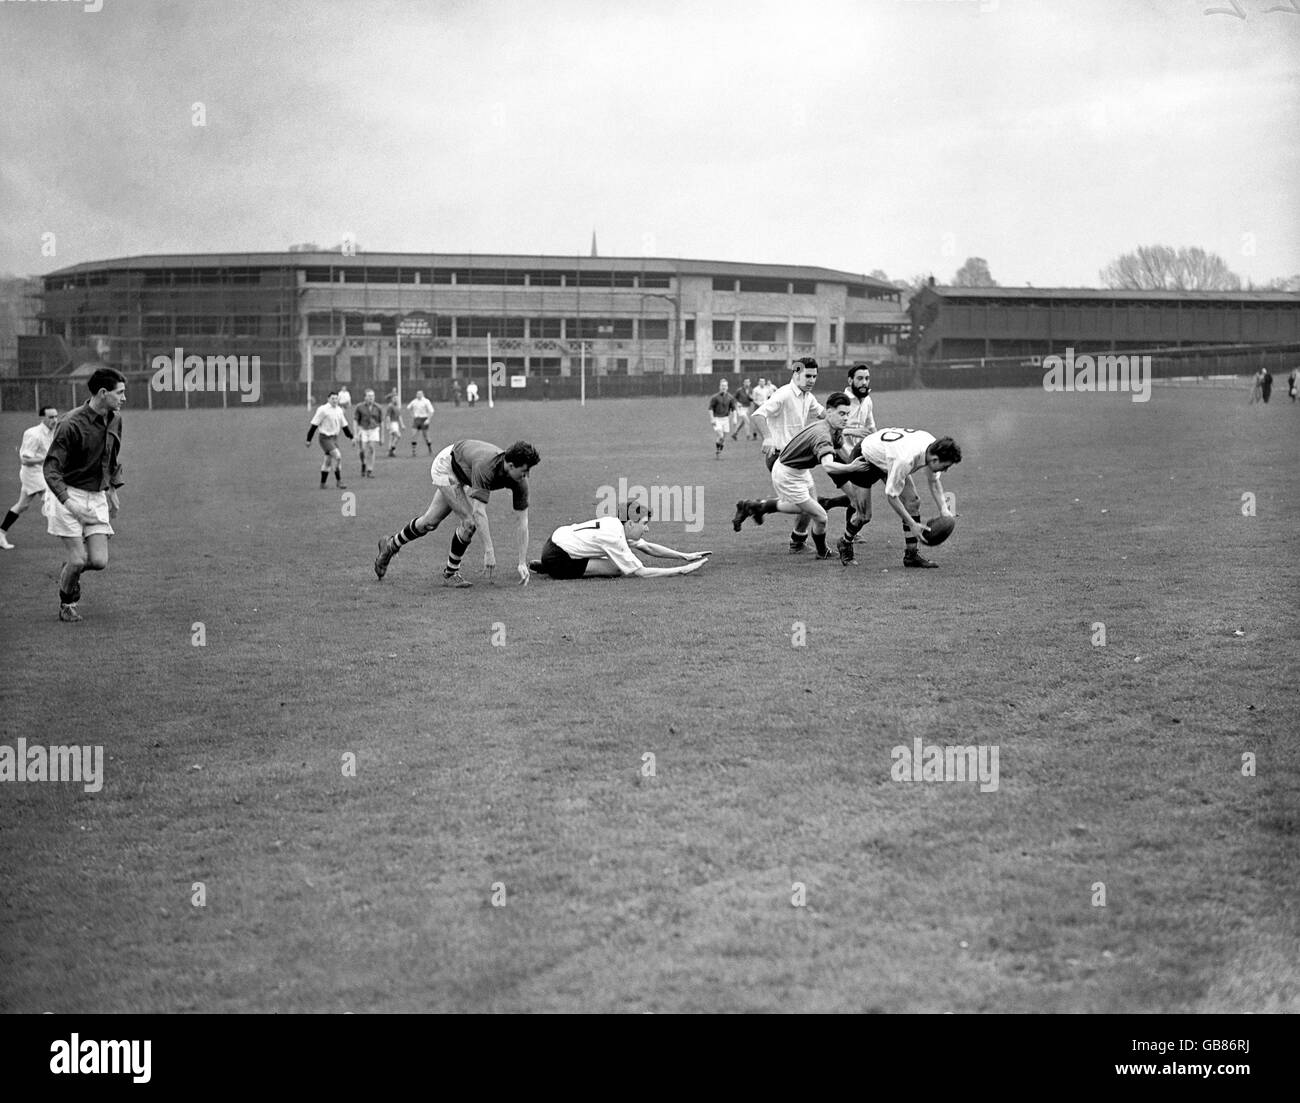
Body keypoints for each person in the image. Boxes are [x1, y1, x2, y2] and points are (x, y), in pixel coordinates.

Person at [374, 439, 540, 588]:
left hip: (465, 472)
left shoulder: (519, 481)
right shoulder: (486, 466)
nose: (527, 476)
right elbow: (478, 512)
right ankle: (450, 574)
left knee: (429, 522)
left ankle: (390, 545)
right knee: (469, 522)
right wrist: (489, 551)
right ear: (511, 465)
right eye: (525, 471)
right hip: (447, 465)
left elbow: (522, 521)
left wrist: (521, 562)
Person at [731, 392, 869, 559]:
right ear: (829, 411)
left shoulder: (832, 428)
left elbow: (841, 449)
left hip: (799, 470)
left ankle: (756, 506)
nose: (845, 418)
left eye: (847, 414)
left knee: (808, 509)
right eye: (841, 413)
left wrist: (851, 437)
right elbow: (828, 465)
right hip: (787, 474)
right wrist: (851, 467)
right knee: (820, 516)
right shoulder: (823, 435)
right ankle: (822, 552)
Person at [41, 368, 127, 622]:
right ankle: (67, 603)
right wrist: (69, 503)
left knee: (99, 561)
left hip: (96, 496)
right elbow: (51, 469)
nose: (124, 398)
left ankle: (67, 570)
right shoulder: (70, 424)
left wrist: (112, 489)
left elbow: (111, 456)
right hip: (68, 495)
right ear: (103, 393)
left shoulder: (115, 419)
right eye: (120, 393)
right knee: (78, 560)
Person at [838, 427, 962, 569]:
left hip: (887, 457)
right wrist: (912, 524)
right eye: (945, 466)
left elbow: (934, 482)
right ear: (935, 459)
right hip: (864, 459)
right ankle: (845, 542)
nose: (945, 470)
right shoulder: (905, 460)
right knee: (864, 516)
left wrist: (944, 510)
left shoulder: (932, 447)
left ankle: (911, 555)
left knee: (913, 502)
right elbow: (891, 496)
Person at [750, 357, 825, 551]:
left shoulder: (808, 397)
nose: (812, 380)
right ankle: (762, 506)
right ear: (796, 373)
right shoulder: (783, 394)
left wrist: (843, 420)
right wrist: (767, 437)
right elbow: (758, 415)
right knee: (809, 507)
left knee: (811, 505)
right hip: (780, 457)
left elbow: (823, 414)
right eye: (808, 376)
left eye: (815, 376)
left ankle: (796, 540)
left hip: (797, 459)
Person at [530, 500, 710, 579]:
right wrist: (682, 570)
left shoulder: (616, 524)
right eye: (644, 524)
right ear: (631, 523)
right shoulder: (615, 536)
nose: (647, 528)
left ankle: (546, 565)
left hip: (555, 541)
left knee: (616, 561)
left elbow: (648, 548)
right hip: (559, 557)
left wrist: (685, 556)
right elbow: (641, 572)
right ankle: (551, 568)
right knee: (618, 568)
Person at [814, 363, 879, 548]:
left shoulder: (868, 400)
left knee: (858, 495)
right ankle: (850, 533)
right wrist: (853, 431)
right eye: (860, 378)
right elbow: (829, 427)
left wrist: (880, 444)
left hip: (858, 454)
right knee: (858, 497)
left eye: (867, 378)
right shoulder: (841, 402)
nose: (864, 382)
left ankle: (828, 503)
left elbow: (871, 426)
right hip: (837, 455)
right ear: (850, 380)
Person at [0, 406, 59, 550]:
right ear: (42, 418)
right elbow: (25, 460)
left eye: (56, 416)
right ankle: (73, 532)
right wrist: (47, 459)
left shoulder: (53, 432)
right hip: (32, 474)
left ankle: (1, 533)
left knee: (22, 505)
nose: (55, 420)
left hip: (43, 473)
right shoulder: (33, 434)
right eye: (51, 417)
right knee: (51, 498)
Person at [306, 391, 354, 489]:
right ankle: (339, 481)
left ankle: (322, 484)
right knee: (338, 456)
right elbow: (314, 425)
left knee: (327, 461)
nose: (335, 400)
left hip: (334, 438)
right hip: (325, 438)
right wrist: (308, 439)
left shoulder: (339, 410)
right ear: (328, 399)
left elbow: (344, 425)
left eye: (336, 398)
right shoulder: (323, 410)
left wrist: (351, 437)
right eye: (332, 398)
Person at [352, 389, 384, 478]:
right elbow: (355, 420)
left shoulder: (378, 407)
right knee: (362, 450)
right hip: (363, 429)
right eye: (369, 396)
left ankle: (369, 470)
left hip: (374, 429)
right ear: (365, 397)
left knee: (371, 449)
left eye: (372, 396)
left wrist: (382, 436)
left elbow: (381, 422)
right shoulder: (359, 407)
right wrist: (355, 434)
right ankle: (363, 463)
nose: (371, 398)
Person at [707, 378, 739, 459]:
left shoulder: (730, 397)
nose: (723, 387)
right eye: (722, 385)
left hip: (726, 419)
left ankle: (719, 451)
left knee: (723, 438)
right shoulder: (715, 397)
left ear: (727, 387)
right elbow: (710, 409)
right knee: (720, 435)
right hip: (717, 419)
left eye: (725, 386)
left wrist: (735, 418)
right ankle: (718, 451)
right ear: (719, 387)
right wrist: (712, 419)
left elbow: (734, 409)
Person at [407, 390, 435, 455]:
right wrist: (412, 415)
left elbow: (431, 411)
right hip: (417, 419)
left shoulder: (426, 401)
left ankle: (430, 449)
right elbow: (408, 408)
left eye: (420, 394)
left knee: (425, 436)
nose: (418, 395)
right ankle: (413, 451)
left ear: (422, 394)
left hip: (424, 419)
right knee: (414, 435)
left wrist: (428, 419)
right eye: (417, 394)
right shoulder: (414, 402)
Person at [384, 390, 404, 456]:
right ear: (392, 399)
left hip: (396, 424)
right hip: (392, 424)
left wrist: (402, 424)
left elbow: (399, 416)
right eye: (395, 398)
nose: (396, 400)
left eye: (397, 398)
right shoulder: (390, 406)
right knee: (398, 436)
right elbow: (388, 416)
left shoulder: (397, 407)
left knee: (392, 438)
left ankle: (391, 451)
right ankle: (391, 449)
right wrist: (388, 425)